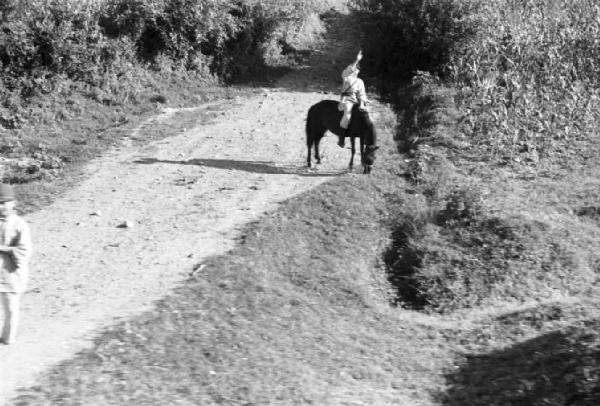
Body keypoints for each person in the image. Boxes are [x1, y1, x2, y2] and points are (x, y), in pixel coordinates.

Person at [0, 183, 32, 345]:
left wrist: (5, 249)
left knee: (11, 310)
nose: (2, 206)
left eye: (5, 202)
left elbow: (24, 252)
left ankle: (7, 338)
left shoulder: (19, 225)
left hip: (10, 275)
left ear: (13, 203)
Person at [338, 50, 368, 148]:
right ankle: (341, 138)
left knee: (366, 116)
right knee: (347, 116)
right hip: (346, 100)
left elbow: (362, 94)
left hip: (356, 101)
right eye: (354, 69)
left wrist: (363, 103)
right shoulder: (346, 77)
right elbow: (349, 70)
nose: (356, 71)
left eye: (357, 70)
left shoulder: (360, 81)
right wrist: (357, 60)